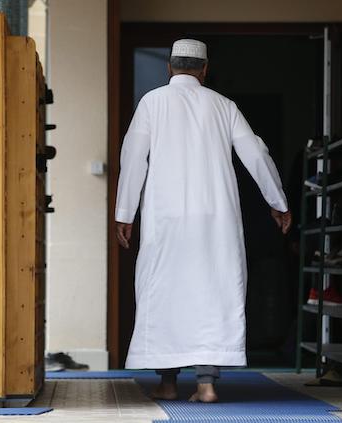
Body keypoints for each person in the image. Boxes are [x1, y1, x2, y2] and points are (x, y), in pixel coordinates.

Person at [115, 39, 292, 403]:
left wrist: (124, 212)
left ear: (169, 67)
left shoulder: (152, 103)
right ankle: (207, 384)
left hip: (166, 217)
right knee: (214, 290)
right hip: (216, 218)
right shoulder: (224, 106)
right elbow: (256, 153)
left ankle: (166, 383)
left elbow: (133, 157)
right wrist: (278, 202)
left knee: (165, 290)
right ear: (205, 69)